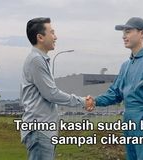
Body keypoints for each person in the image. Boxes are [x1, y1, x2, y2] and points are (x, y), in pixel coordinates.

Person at [86, 17, 143, 160]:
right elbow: (115, 93)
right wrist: (95, 101)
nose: (123, 36)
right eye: (123, 32)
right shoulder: (126, 66)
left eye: (128, 31)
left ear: (142, 33)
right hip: (129, 121)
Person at [20, 17, 93, 160]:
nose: (56, 37)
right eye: (52, 32)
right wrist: (83, 101)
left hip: (44, 131)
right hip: (40, 130)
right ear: (40, 37)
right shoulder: (36, 60)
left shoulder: (40, 59)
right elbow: (51, 94)